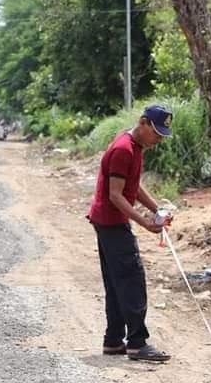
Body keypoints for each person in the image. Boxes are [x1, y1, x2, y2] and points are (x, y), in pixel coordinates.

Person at [87, 104, 174, 362]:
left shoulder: (135, 146)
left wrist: (157, 209)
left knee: (117, 282)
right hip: (111, 222)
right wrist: (145, 223)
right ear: (143, 122)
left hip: (107, 221)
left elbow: (132, 186)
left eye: (162, 135)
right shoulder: (123, 149)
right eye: (156, 133)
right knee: (132, 280)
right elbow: (115, 195)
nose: (158, 139)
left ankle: (114, 341)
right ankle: (137, 342)